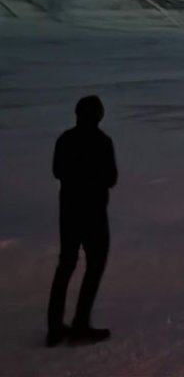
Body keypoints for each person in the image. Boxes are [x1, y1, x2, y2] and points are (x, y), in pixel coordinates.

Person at [46, 95, 118, 346]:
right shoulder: (103, 142)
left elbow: (57, 171)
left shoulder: (65, 139)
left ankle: (54, 328)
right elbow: (111, 178)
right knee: (94, 265)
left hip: (69, 212)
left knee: (65, 265)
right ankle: (80, 323)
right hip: (94, 214)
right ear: (99, 116)